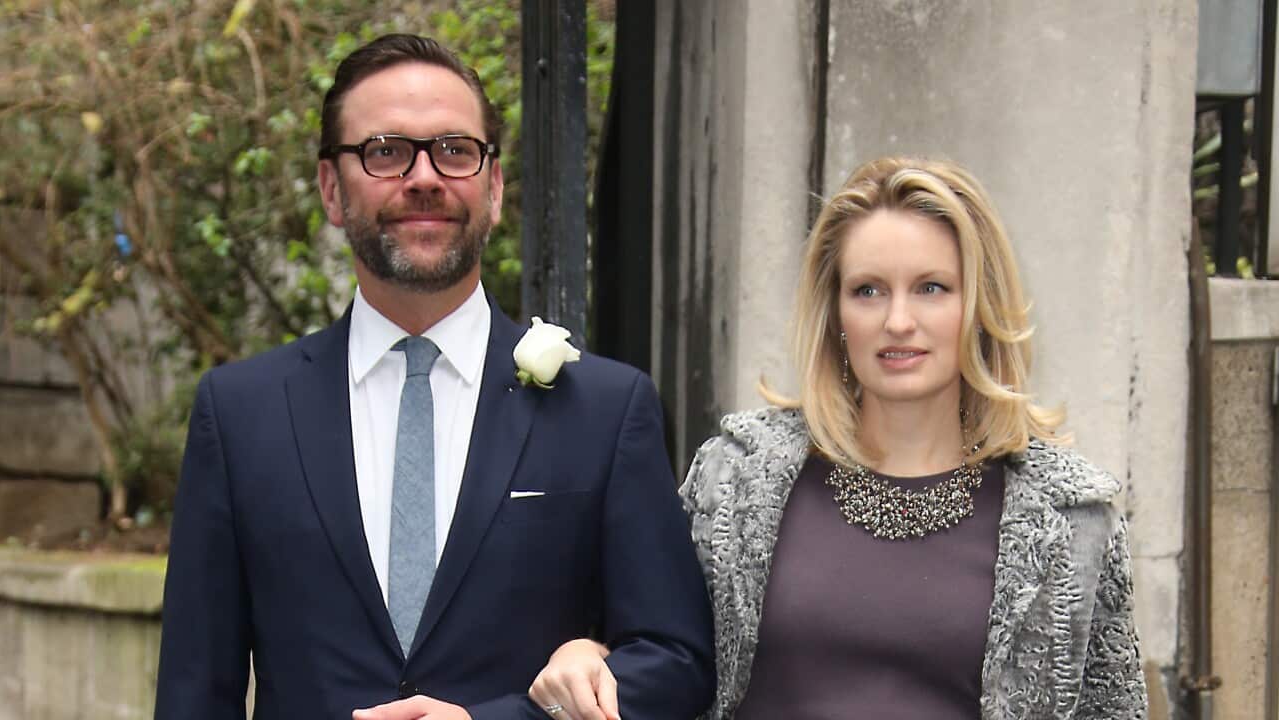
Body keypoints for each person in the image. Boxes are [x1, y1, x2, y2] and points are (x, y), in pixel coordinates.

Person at [154, 33, 714, 720]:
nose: (425, 177)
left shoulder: (606, 408)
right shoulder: (240, 414)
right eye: (386, 151)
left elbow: (677, 665)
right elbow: (193, 695)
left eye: (454, 150)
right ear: (332, 188)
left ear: (495, 185)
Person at [528, 157, 1148, 719]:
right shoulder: (736, 477)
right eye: (868, 290)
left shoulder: (1071, 516)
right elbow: (659, 648)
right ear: (836, 315)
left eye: (931, 287)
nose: (897, 320)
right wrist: (586, 649)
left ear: (980, 305)